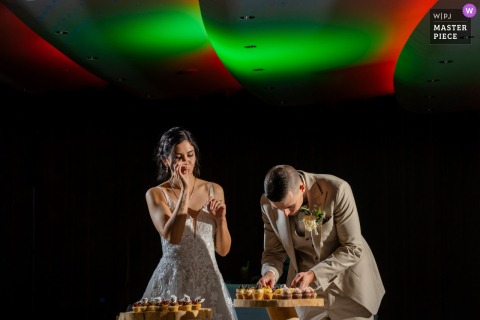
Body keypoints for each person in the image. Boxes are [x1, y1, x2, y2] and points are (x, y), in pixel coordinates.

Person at [257, 164, 385, 320]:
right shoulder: (266, 204)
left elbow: (353, 248)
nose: (285, 213)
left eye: (290, 207)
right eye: (278, 208)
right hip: (306, 293)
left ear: (302, 187)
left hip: (349, 288)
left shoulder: (337, 190)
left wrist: (314, 274)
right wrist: (270, 272)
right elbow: (273, 252)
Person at [142, 126, 237, 320]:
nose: (186, 162)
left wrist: (221, 219)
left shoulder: (215, 189)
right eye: (178, 157)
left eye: (190, 155)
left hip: (209, 281)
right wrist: (185, 191)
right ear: (165, 160)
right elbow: (173, 237)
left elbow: (223, 250)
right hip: (173, 281)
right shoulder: (156, 194)